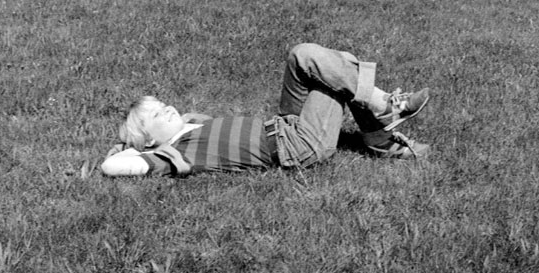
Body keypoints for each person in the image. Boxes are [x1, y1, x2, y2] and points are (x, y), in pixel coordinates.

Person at [101, 43, 430, 177]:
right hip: (299, 144)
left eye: (163, 105)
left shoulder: (190, 122)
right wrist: (125, 145)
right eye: (157, 116)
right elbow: (110, 167)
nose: (168, 109)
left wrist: (144, 133)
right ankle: (383, 117)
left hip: (287, 122)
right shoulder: (174, 155)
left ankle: (379, 122)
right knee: (339, 67)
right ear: (146, 143)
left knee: (306, 56)